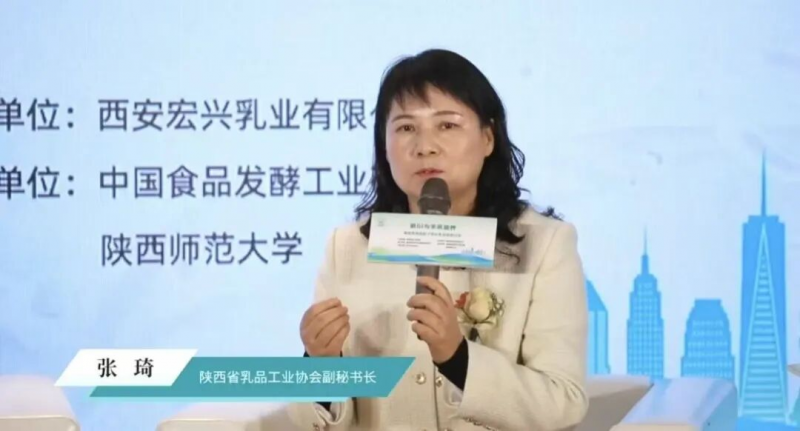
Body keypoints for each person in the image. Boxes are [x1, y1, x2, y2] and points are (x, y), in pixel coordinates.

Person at [287, 49, 589, 431]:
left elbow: (563, 402)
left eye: (447, 125)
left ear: (488, 138)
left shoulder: (542, 245)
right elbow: (315, 420)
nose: (425, 146)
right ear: (384, 146)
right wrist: (319, 365)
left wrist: (458, 358)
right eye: (405, 128)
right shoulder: (347, 247)